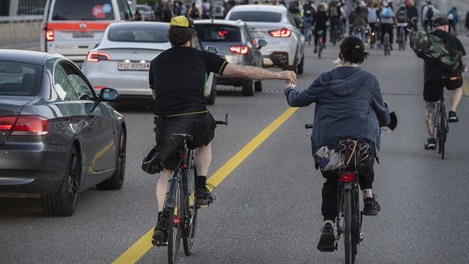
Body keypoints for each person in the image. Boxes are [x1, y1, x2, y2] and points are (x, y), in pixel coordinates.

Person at [149, 16, 297, 245]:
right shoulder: (202, 57)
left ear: (170, 37)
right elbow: (243, 72)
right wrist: (278, 74)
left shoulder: (157, 61)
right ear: (191, 38)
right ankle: (200, 187)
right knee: (204, 141)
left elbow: (156, 96)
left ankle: (161, 223)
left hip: (166, 122)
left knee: (166, 173)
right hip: (195, 119)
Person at [284, 37, 392, 252]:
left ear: (341, 55)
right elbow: (382, 113)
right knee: (365, 156)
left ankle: (327, 226)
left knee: (331, 182)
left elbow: (297, 100)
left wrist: (289, 88)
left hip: (325, 149)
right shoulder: (370, 80)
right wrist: (387, 120)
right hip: (361, 146)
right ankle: (368, 198)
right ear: (362, 57)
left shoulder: (324, 79)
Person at [421, 18, 467, 150]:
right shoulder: (453, 39)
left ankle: (431, 139)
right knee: (458, 87)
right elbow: (462, 59)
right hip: (452, 75)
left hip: (432, 77)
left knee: (430, 105)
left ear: (434, 27)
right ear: (446, 27)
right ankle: (452, 111)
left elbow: (423, 58)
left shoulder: (426, 39)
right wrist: (463, 70)